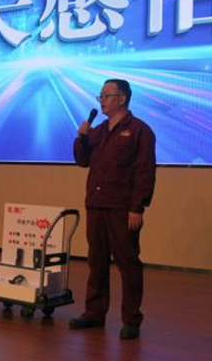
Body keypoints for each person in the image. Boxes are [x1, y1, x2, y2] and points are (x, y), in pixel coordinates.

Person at [69, 79, 156, 340]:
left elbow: (144, 172)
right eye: (101, 96)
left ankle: (131, 319)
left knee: (128, 264)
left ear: (122, 99)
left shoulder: (140, 130)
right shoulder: (98, 131)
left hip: (122, 208)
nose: (102, 100)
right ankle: (94, 313)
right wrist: (81, 137)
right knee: (96, 262)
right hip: (96, 205)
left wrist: (137, 207)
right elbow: (82, 161)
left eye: (106, 95)